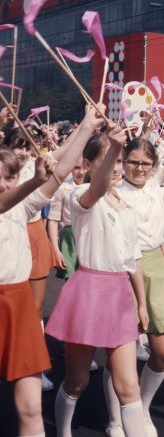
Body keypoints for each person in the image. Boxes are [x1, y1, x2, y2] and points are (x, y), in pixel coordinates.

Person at [0, 104, 103, 437]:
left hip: (16, 305)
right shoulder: (15, 198)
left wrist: (87, 125)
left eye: (9, 176)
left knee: (30, 408)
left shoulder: (23, 206)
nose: (4, 184)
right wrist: (31, 182)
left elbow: (60, 171)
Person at [46, 122, 149, 437]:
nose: (115, 168)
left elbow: (132, 260)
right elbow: (99, 187)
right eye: (107, 161)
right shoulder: (81, 196)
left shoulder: (128, 204)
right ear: (88, 165)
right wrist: (115, 147)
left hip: (119, 294)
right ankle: (63, 432)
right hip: (88, 291)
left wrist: (142, 304)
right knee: (77, 380)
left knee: (128, 385)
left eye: (117, 162)